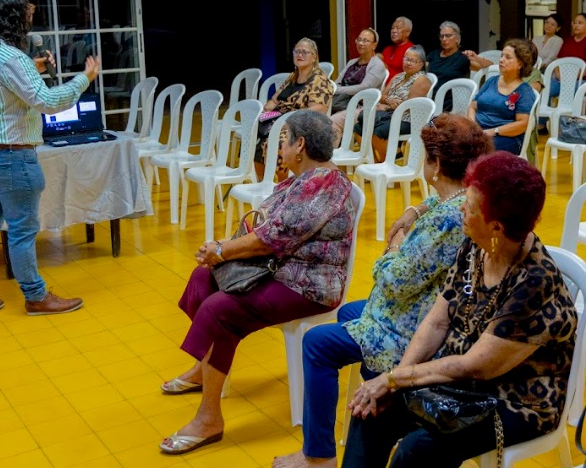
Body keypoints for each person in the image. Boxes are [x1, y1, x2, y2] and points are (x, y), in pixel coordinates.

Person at [272, 115, 492, 468]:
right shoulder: (462, 200)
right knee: (347, 314)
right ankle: (376, 394)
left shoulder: (446, 220)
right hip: (422, 306)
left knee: (316, 344)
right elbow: (435, 206)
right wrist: (412, 210)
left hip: (421, 323)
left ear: (435, 165)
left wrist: (393, 248)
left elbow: (394, 281)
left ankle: (319, 454)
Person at [341, 152, 578, 468]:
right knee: (371, 411)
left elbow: (474, 365)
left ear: (495, 226)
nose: (461, 209)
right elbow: (438, 320)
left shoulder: (534, 284)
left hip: (514, 398)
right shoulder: (475, 247)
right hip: (460, 381)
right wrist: (395, 383)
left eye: (470, 206)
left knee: (418, 450)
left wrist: (395, 379)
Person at [159, 110, 355, 456]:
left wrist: (221, 249)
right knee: (203, 278)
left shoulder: (323, 183)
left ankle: (209, 419)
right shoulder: (301, 178)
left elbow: (272, 238)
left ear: (301, 145)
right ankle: (204, 369)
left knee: (220, 309)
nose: (279, 148)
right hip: (277, 269)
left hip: (308, 285)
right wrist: (222, 253)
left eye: (284, 140)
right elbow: (265, 227)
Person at [0, 0, 100, 317]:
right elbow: (47, 102)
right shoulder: (13, 58)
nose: (31, 18)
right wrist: (84, 78)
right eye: (28, 13)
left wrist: (33, 69)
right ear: (14, 17)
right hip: (11, 157)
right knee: (21, 230)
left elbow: (0, 83)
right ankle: (36, 296)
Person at [255, 38, 334, 180]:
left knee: (279, 143)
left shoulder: (319, 79)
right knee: (253, 134)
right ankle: (261, 183)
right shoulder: (293, 77)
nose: (300, 55)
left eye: (305, 52)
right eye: (297, 51)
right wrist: (266, 111)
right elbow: (274, 100)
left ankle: (283, 183)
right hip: (279, 120)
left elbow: (318, 110)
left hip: (303, 127)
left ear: (314, 56)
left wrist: (288, 123)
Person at [355, 45, 432, 162]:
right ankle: (374, 160)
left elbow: (409, 106)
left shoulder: (421, 79)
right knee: (358, 127)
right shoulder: (398, 77)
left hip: (409, 119)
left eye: (413, 61)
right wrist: (389, 101)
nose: (408, 63)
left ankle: (387, 160)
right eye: (406, 59)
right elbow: (382, 96)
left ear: (421, 64)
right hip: (391, 113)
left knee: (378, 131)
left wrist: (387, 105)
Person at [468, 39, 538, 162]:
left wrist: (492, 132)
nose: (501, 60)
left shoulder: (524, 91)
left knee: (477, 147)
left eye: (508, 57)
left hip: (505, 137)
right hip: (479, 132)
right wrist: (473, 127)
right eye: (501, 56)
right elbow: (472, 107)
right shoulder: (491, 81)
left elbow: (522, 124)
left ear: (520, 64)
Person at [330, 28, 388, 115]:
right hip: (340, 102)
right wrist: (333, 89)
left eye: (365, 41)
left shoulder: (377, 65)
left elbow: (364, 87)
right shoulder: (352, 62)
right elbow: (337, 82)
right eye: (359, 40)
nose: (361, 43)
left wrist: (337, 90)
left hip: (359, 106)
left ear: (374, 45)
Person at [426, 20, 471, 107]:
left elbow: (487, 65)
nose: (444, 39)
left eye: (448, 36)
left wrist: (475, 57)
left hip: (448, 101)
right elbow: (421, 71)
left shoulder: (462, 57)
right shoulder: (433, 54)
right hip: (429, 97)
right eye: (441, 36)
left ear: (457, 38)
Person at [381, 17, 416, 81]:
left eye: (398, 28)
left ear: (408, 32)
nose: (393, 31)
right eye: (392, 28)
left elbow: (410, 78)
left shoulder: (412, 51)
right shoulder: (386, 50)